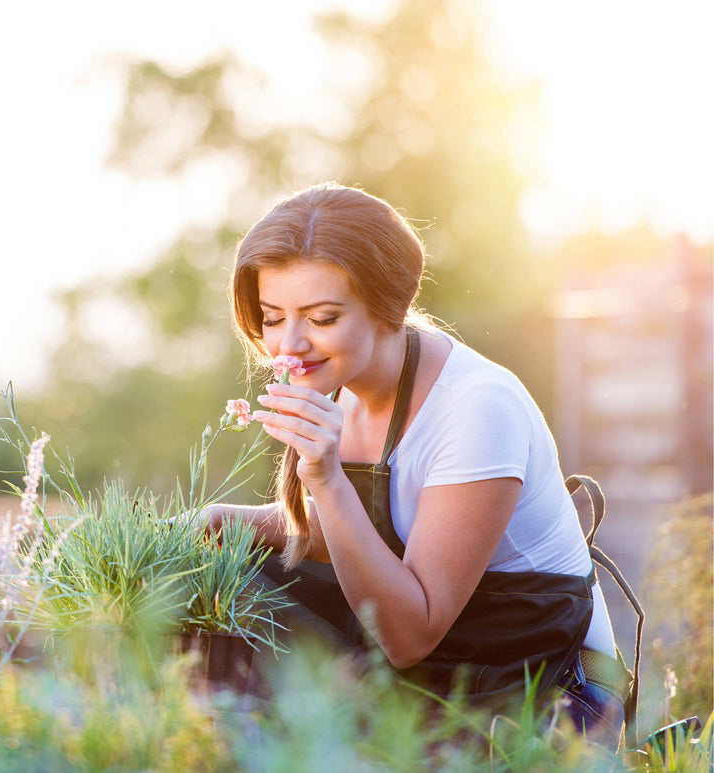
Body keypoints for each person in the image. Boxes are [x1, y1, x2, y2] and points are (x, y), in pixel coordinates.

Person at [203, 182, 633, 750]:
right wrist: (210, 523)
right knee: (211, 588)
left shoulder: (476, 407)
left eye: (322, 317)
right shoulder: (340, 380)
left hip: (541, 691)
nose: (290, 344)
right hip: (441, 667)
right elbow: (358, 533)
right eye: (272, 317)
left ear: (389, 307)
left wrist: (325, 476)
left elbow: (409, 635)